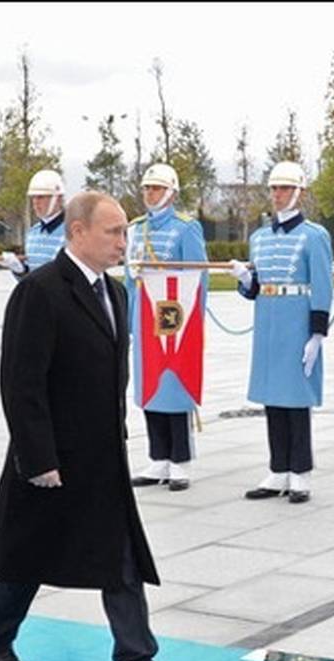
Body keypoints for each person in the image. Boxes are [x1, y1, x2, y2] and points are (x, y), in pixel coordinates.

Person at [0, 191, 195, 661]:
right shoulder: (40, 291)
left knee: (122, 560)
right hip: (51, 457)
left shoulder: (115, 293)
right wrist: (38, 458)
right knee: (27, 557)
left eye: (125, 232)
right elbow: (21, 384)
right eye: (113, 232)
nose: (123, 242)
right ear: (77, 232)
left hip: (102, 457)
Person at [230, 161, 333, 503]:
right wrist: (246, 280)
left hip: (297, 320)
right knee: (273, 397)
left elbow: (322, 285)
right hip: (268, 322)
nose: (278, 194)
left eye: (285, 188)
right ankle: (278, 469)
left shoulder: (314, 236)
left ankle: (299, 472)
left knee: (296, 399)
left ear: (299, 192)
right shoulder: (259, 237)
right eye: (274, 188)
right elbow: (256, 288)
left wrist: (317, 334)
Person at [125, 163, 208, 491]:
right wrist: (128, 318)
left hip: (174, 316)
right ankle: (158, 456)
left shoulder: (185, 228)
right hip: (144, 316)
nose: (150, 194)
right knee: (150, 385)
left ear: (172, 193)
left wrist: (195, 321)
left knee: (174, 384)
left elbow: (198, 276)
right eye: (147, 188)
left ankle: (180, 460)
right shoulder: (135, 229)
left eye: (157, 188)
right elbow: (130, 279)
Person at [1, 169, 65, 279]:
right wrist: (20, 271)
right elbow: (29, 281)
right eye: (33, 197)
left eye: (41, 197)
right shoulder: (33, 233)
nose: (35, 202)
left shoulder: (73, 233)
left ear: (58, 199)